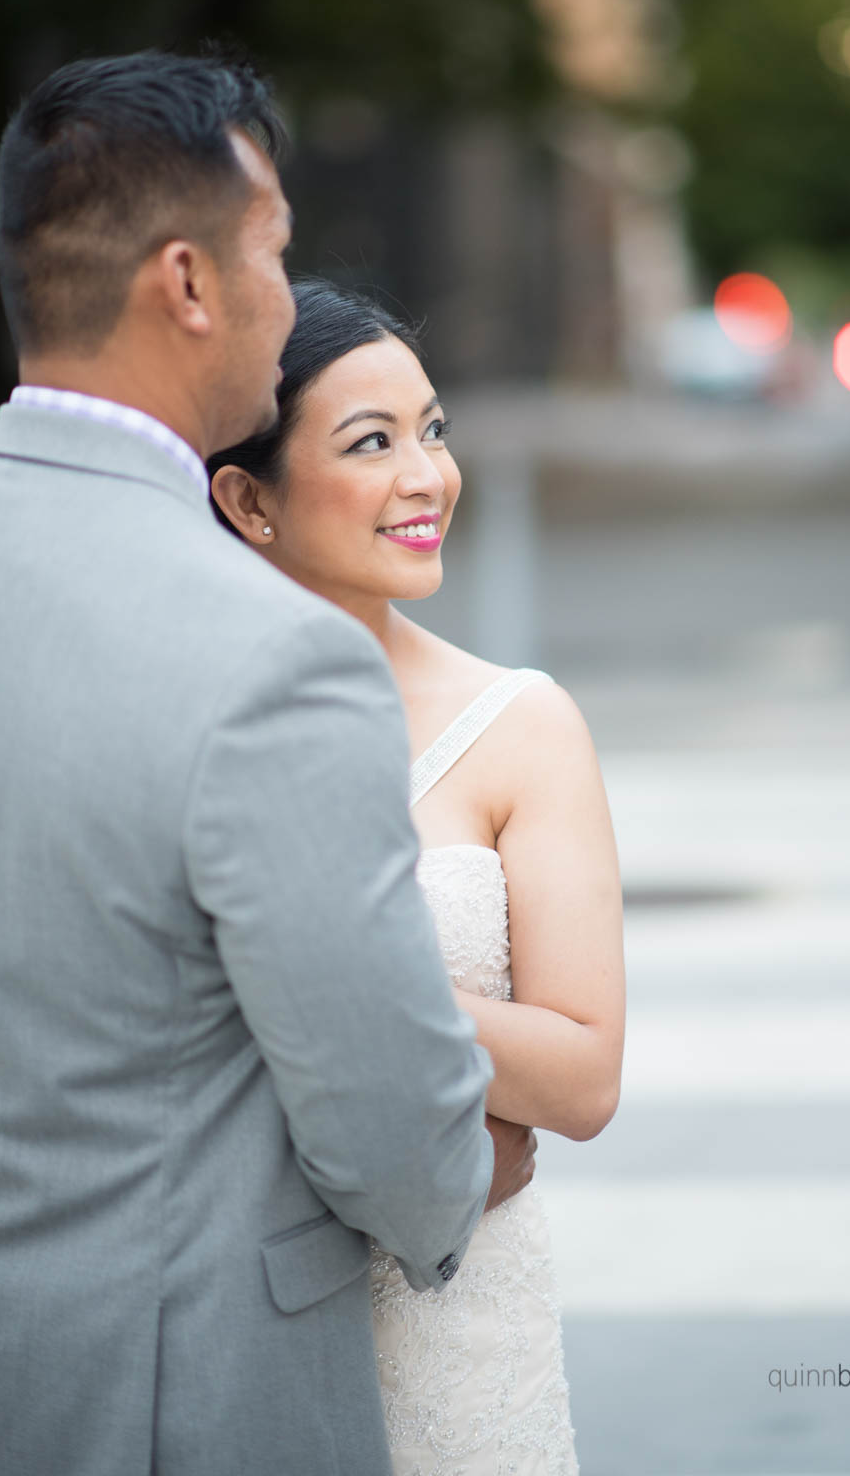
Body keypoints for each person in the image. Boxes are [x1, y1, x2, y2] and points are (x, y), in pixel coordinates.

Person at [0, 50, 535, 1476]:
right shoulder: (274, 655)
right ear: (189, 283)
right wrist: (465, 1179)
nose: (285, 293)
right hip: (191, 1398)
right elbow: (386, 1111)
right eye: (272, 251)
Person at [209, 277, 626, 1476]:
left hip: (462, 1343)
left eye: (432, 431)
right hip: (236, 1329)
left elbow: (583, 1074)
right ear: (248, 497)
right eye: (370, 442)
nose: (426, 478)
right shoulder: (183, 719)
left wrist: (326, 983)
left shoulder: (519, 724)